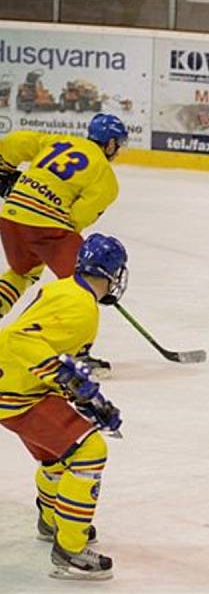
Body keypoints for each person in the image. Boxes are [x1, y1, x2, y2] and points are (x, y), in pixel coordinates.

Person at [0, 233, 127, 580]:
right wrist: (69, 380)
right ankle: (70, 549)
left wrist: (88, 397)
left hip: (19, 385)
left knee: (58, 455)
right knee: (89, 453)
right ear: (111, 273)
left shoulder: (65, 288)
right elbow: (21, 339)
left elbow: (51, 351)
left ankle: (52, 518)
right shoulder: (81, 305)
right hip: (19, 393)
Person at [0, 113, 128, 319]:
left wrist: (4, 170)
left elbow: (16, 142)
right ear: (111, 144)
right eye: (119, 145)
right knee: (82, 282)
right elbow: (77, 217)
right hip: (46, 226)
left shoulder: (61, 141)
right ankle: (31, 331)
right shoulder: (106, 177)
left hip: (10, 215)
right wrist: (98, 285)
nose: (118, 151)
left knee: (22, 273)